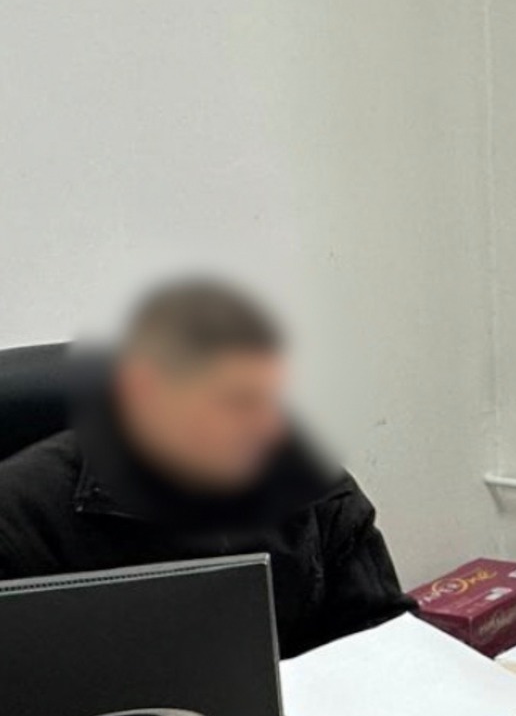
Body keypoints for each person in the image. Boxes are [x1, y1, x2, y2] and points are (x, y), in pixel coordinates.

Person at [0, 278, 412, 658]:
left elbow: (387, 643)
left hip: (301, 713)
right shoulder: (21, 520)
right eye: (236, 402)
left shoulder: (310, 486)